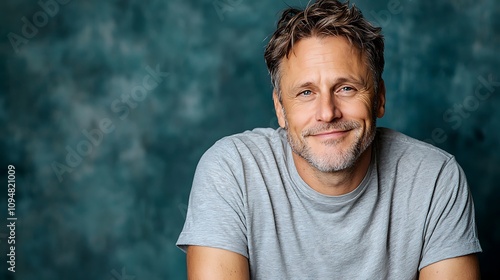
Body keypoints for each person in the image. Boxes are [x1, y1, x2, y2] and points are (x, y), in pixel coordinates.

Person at [176, 0, 482, 278]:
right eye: (306, 92)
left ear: (379, 98)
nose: (327, 112)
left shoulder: (434, 179)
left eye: (346, 88)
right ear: (280, 109)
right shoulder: (231, 171)